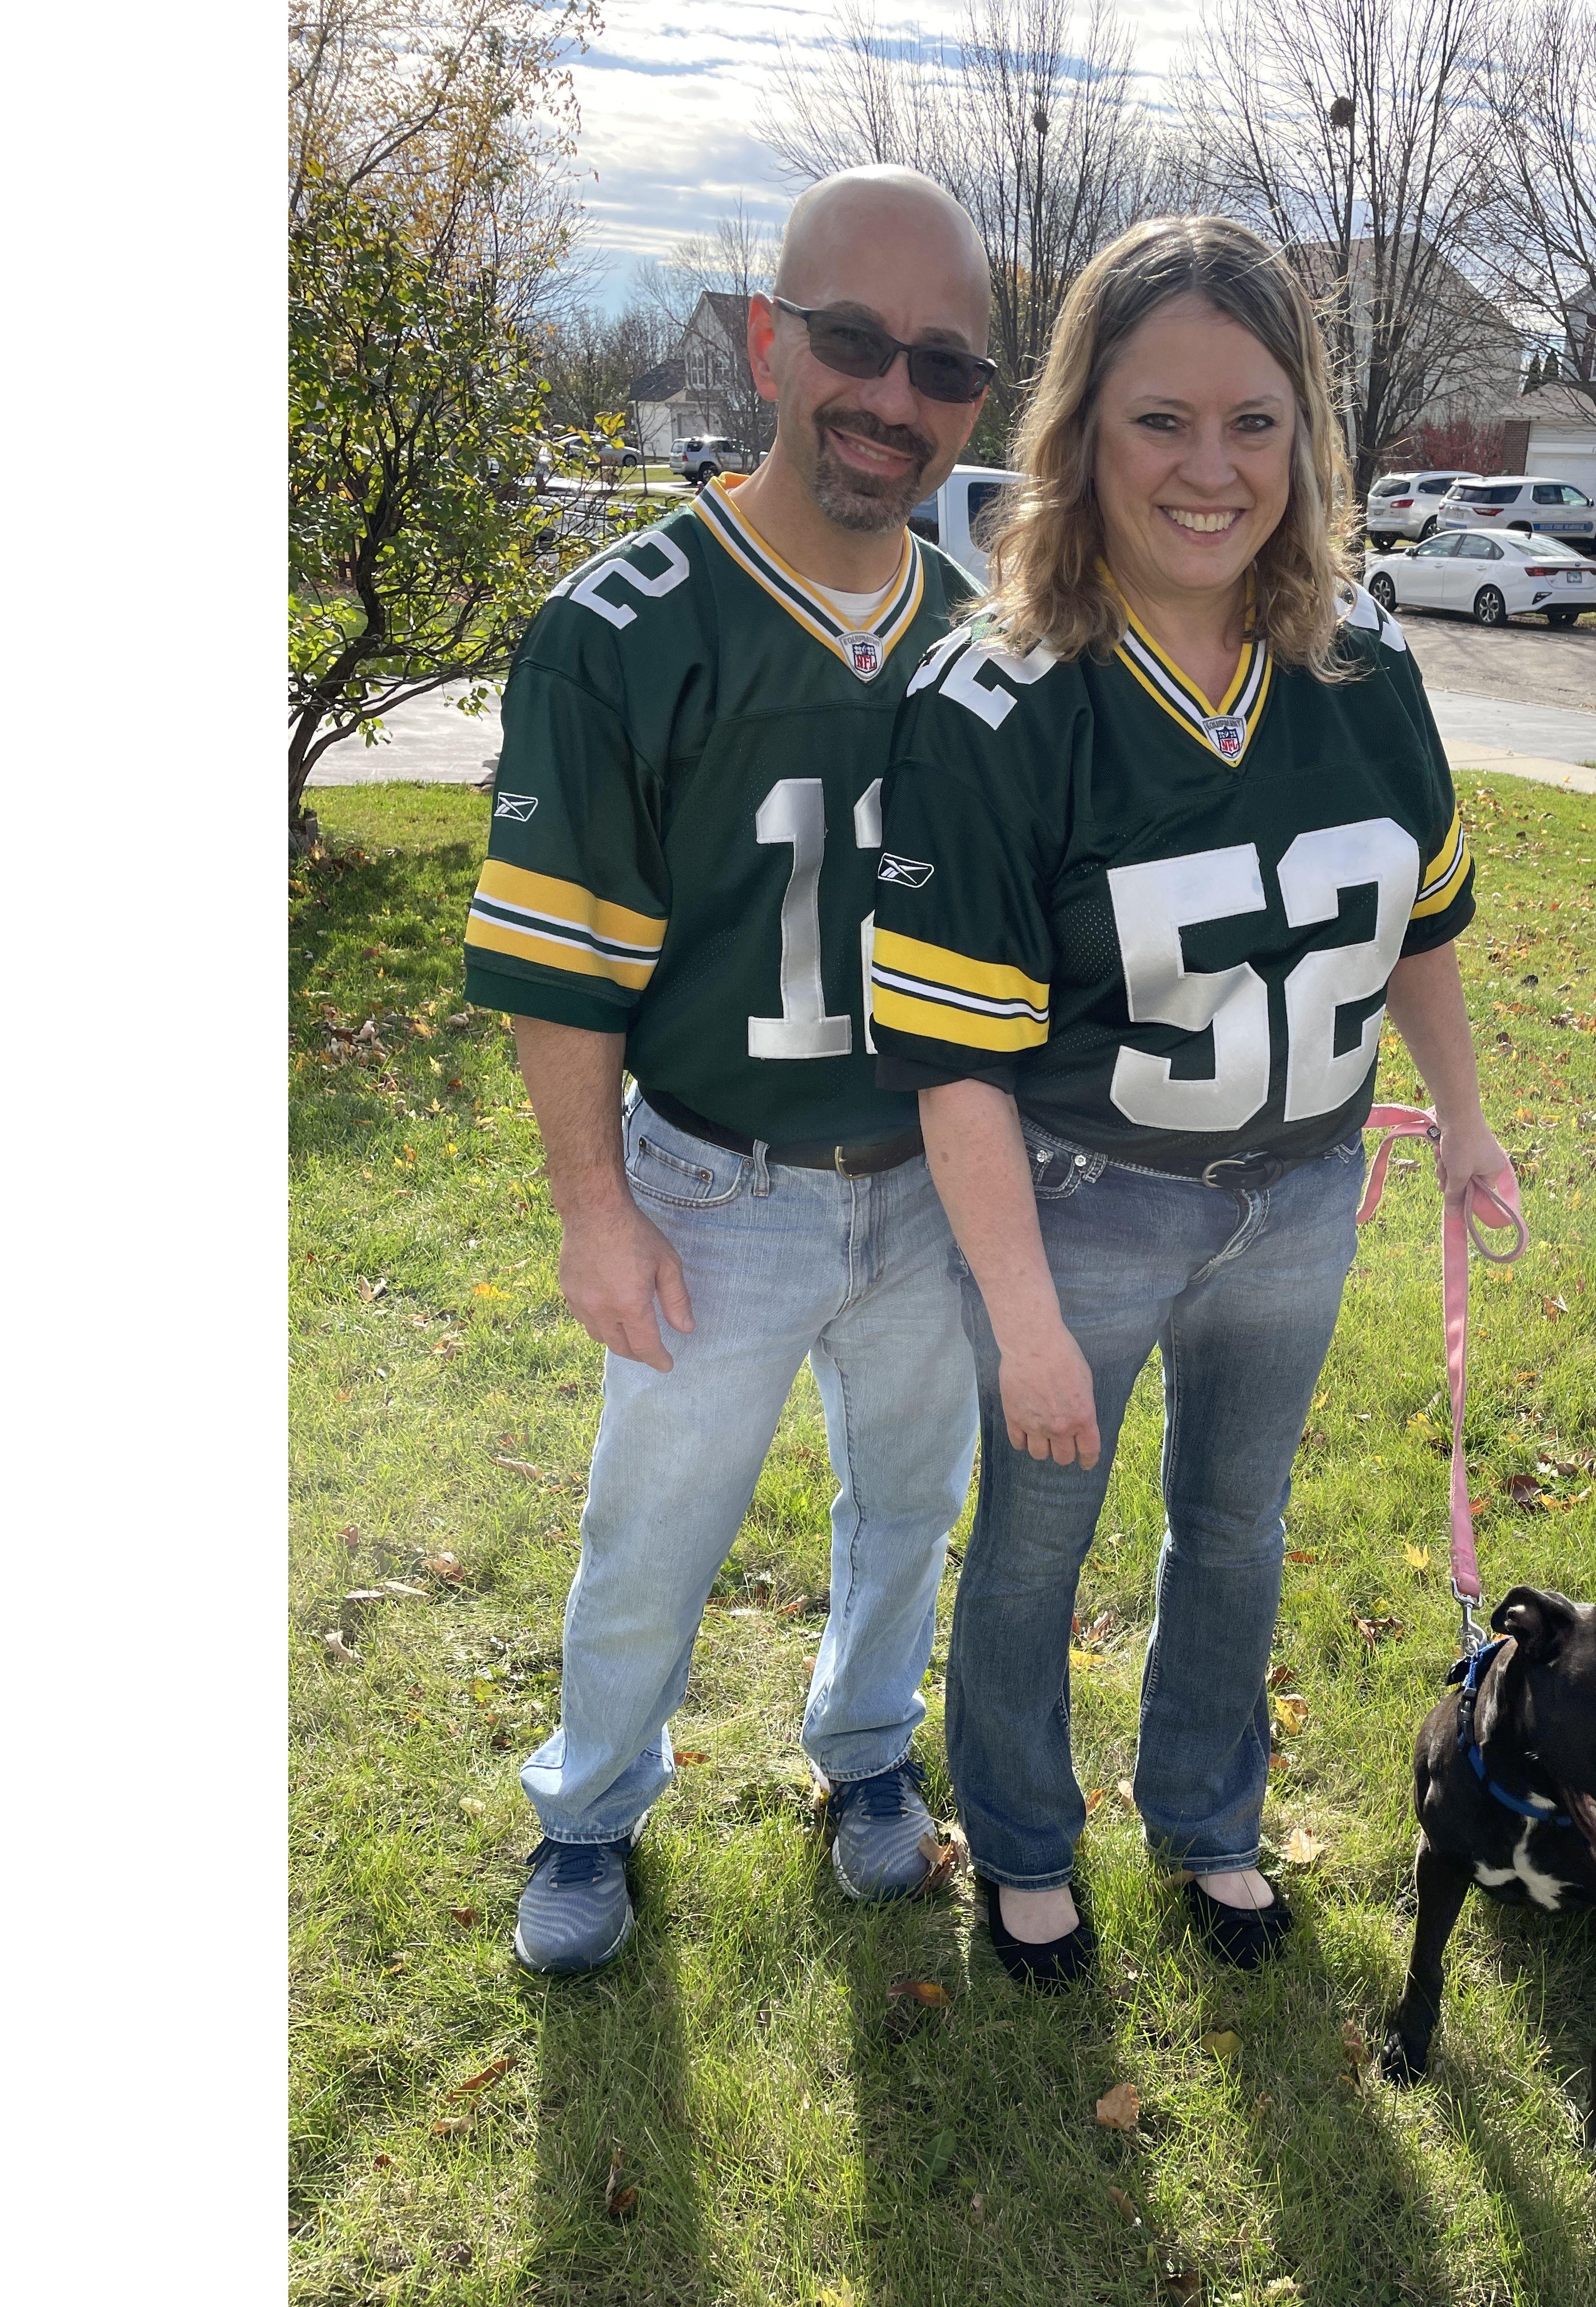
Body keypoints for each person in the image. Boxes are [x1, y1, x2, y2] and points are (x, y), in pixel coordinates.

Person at [869, 214, 1512, 1984]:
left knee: (1236, 1526)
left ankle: (1207, 1820)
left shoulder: (1365, 666)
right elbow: (955, 1058)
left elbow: (1424, 918)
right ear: (1080, 430)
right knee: (1036, 1541)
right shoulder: (1002, 704)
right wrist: (1023, 1318)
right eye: (1161, 420)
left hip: (1303, 1191)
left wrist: (1463, 1115)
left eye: (1253, 419)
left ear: (1307, 433)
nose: (1211, 468)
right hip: (1089, 1197)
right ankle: (1019, 1839)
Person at [459, 167, 1003, 1975]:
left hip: (934, 1183)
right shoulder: (621, 626)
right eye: (854, 341)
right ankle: (593, 1806)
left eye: (943, 365)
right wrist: (592, 1208)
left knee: (911, 1502)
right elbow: (566, 962)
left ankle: (862, 1755)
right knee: (655, 1529)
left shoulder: (987, 639)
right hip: (715, 1176)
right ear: (771, 342)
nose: (892, 396)